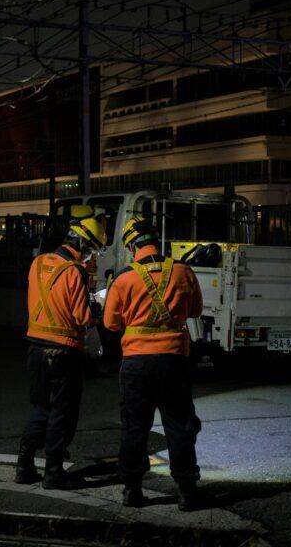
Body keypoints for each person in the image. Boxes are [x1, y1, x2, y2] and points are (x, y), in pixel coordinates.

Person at [103, 216, 204, 510]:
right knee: (180, 426)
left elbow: (110, 324)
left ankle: (132, 490)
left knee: (135, 427)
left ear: (133, 245)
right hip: (174, 360)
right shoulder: (184, 272)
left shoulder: (123, 278)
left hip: (136, 363)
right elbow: (195, 310)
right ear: (155, 240)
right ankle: (187, 491)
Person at [14, 211, 106, 489]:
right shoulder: (75, 271)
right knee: (60, 413)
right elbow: (82, 317)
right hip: (64, 352)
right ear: (82, 244)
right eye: (91, 251)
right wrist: (98, 304)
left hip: (35, 349)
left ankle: (24, 464)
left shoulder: (38, 263)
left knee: (40, 409)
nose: (92, 258)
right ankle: (53, 472)